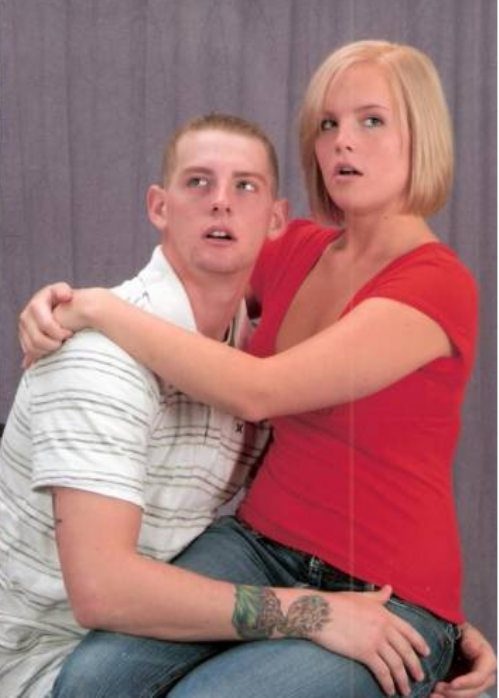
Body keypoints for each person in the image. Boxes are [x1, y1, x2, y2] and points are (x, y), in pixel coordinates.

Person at [18, 42, 497, 698]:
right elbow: (189, 284)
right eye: (327, 124)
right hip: (259, 546)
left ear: (422, 136)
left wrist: (96, 307)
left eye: (371, 120)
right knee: (91, 681)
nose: (341, 142)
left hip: (388, 591)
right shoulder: (293, 249)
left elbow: (257, 391)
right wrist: (53, 303)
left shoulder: (437, 284)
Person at [0, 112, 288, 696]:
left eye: (245, 186)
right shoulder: (94, 355)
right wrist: (308, 613)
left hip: (150, 642)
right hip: (37, 663)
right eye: (199, 182)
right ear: (159, 207)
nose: (221, 202)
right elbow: (104, 591)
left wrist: (433, 616)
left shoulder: (257, 366)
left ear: (275, 220)